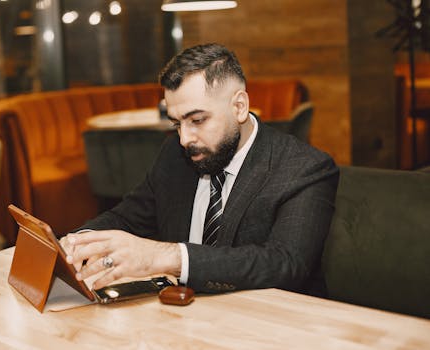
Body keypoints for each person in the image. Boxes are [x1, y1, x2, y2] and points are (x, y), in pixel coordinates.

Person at [62, 43, 339, 296]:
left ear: (239, 107)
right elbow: (128, 217)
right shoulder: (175, 154)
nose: (184, 139)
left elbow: (285, 264)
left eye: (197, 119)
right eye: (176, 123)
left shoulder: (304, 168)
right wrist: (79, 243)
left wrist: (170, 257)